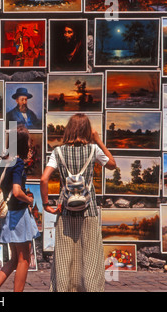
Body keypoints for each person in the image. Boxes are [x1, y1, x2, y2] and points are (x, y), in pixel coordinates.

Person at [40, 113, 116, 292]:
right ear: (87, 130)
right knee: (90, 255)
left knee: (65, 256)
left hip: (65, 211)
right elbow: (112, 164)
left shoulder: (58, 152)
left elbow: (44, 179)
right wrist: (98, 140)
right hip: (88, 212)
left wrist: (45, 205)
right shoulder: (93, 150)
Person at [0, 124, 40, 292]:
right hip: (18, 214)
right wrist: (29, 200)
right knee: (24, 259)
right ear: (23, 143)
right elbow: (18, 192)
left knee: (13, 259)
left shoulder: (4, 160)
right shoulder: (18, 163)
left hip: (6, 214)